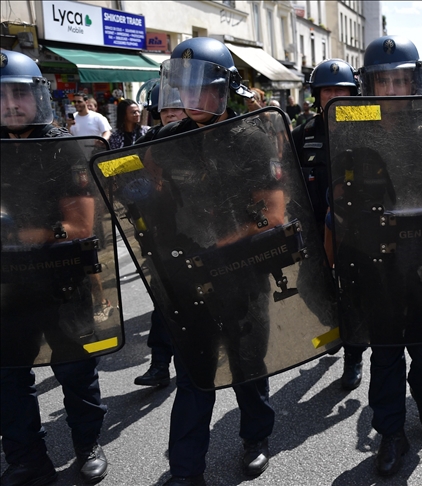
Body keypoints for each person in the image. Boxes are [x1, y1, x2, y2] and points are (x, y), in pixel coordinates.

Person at [148, 37, 275, 485]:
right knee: (194, 375)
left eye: (201, 85)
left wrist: (223, 245)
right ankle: (185, 470)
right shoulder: (161, 142)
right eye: (183, 85)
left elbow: (273, 214)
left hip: (243, 276)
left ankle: (256, 437)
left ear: (224, 89)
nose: (191, 95)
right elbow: (143, 206)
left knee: (248, 366)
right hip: (189, 280)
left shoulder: (252, 140)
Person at [341, 35, 422, 477]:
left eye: (400, 80)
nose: (391, 90)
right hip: (377, 259)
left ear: (416, 82)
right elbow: (338, 190)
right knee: (385, 351)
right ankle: (390, 432)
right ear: (369, 85)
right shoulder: (353, 128)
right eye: (383, 81)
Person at [0, 48, 109, 485]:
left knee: (76, 371)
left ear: (38, 97)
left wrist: (15, 233)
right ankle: (26, 458)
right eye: (2, 95)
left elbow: (80, 225)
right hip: (8, 287)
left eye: (20, 94)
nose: (10, 104)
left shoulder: (61, 146)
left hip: (62, 281)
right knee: (8, 378)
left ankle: (88, 445)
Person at [290, 58, 366, 391]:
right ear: (317, 95)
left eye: (341, 89)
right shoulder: (303, 133)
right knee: (314, 290)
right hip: (313, 231)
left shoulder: (367, 125)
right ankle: (331, 327)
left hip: (353, 229)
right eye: (327, 90)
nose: (334, 95)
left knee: (352, 295)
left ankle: (354, 357)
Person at [131, 78, 187, 388]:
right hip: (161, 233)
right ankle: (160, 363)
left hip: (201, 233)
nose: (171, 114)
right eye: (165, 109)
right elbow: (119, 176)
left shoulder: (202, 136)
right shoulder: (146, 142)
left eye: (177, 108)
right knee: (164, 300)